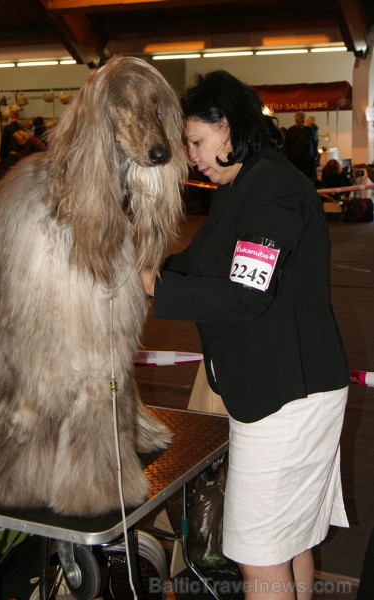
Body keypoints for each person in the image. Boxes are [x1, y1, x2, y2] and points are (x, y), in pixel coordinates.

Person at [141, 70, 349, 600]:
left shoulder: (273, 188)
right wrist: (146, 274)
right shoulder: (239, 188)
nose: (191, 156)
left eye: (196, 141)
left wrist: (155, 287)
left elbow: (246, 294)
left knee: (259, 559)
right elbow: (197, 264)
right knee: (290, 543)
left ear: (228, 127)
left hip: (286, 399)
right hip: (284, 390)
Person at [283, 111, 318, 180]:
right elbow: (286, 147)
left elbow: (315, 144)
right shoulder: (290, 131)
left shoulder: (309, 130)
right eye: (299, 120)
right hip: (295, 161)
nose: (300, 122)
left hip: (309, 161)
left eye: (302, 120)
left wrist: (315, 157)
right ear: (295, 120)